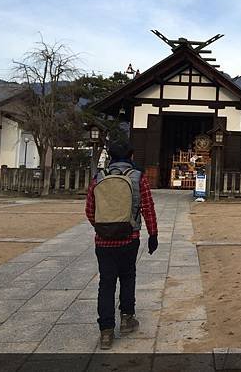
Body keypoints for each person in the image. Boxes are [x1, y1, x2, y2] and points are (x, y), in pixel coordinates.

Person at [85, 140, 159, 350]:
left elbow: (90, 209)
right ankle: (127, 318)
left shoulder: (99, 178)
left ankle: (106, 331)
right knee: (128, 276)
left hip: (103, 241)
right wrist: (153, 235)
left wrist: (103, 227)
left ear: (110, 157)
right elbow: (148, 208)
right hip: (129, 238)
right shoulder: (138, 178)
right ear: (131, 156)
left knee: (106, 283)